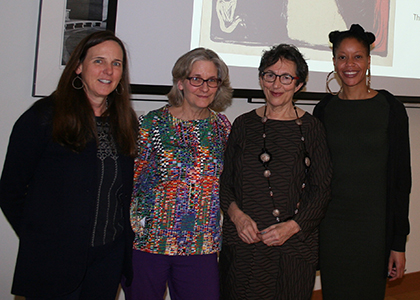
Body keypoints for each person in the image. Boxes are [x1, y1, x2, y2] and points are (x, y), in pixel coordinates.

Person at [0, 30, 138, 300]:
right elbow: (10, 191)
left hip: (106, 263)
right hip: (53, 264)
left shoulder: (125, 122)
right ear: (78, 66)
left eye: (116, 63)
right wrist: (40, 240)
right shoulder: (44, 117)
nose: (108, 70)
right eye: (99, 61)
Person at [219, 44, 332, 300]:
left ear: (299, 84)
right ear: (261, 79)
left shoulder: (312, 128)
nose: (276, 84)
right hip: (245, 243)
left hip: (292, 247)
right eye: (270, 75)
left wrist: (292, 227)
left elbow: (321, 190)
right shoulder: (243, 125)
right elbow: (226, 184)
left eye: (286, 77)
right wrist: (237, 218)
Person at [125, 48, 232, 300]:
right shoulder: (150, 124)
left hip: (200, 246)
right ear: (181, 82)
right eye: (196, 79)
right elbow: (130, 179)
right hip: (149, 243)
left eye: (212, 80)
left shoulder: (222, 128)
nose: (204, 87)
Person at [313, 24, 411, 299]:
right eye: (342, 57)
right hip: (332, 228)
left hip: (374, 230)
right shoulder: (323, 111)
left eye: (357, 56)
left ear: (368, 61)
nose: (349, 64)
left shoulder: (390, 108)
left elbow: (402, 181)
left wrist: (398, 244)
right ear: (333, 61)